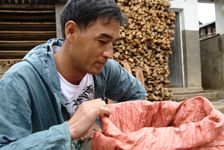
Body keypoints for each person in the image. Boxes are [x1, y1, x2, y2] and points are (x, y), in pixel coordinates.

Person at [0, 0, 147, 149]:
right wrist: (69, 130)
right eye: (102, 41)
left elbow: (138, 96)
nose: (110, 53)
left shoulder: (106, 70)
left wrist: (105, 126)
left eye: (113, 43)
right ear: (71, 31)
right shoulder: (18, 83)